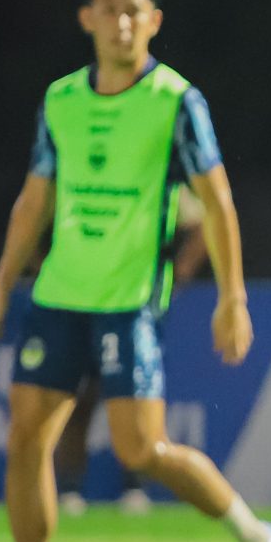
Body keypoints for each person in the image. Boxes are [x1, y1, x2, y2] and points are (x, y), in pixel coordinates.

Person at [0, 0, 271, 542]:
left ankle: (257, 535)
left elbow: (220, 203)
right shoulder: (61, 98)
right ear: (87, 18)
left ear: (154, 22)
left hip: (128, 302)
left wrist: (234, 297)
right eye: (110, 10)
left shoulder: (176, 101)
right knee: (27, 436)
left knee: (140, 448)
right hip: (59, 294)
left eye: (133, 12)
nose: (121, 23)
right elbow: (34, 201)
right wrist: (2, 287)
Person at [57, 192, 209, 517]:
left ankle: (135, 486)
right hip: (83, 304)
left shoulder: (154, 179)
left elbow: (205, 222)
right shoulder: (82, 179)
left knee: (134, 401)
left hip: (135, 309)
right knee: (79, 397)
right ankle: (69, 489)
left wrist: (181, 270)